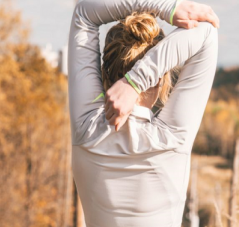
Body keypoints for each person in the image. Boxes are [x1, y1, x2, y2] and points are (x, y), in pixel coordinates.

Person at [68, 0, 218, 226]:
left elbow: (84, 12)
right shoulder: (172, 138)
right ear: (159, 80)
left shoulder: (86, 129)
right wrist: (135, 82)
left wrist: (168, 8)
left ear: (104, 71)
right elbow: (207, 32)